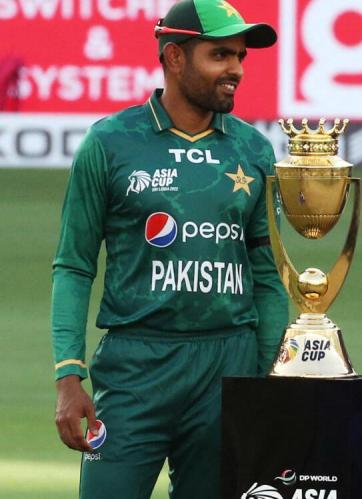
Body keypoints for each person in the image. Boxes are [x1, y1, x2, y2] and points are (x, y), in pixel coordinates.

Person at [50, 1, 288, 497]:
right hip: (135, 369)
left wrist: (267, 380)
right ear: (175, 58)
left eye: (240, 56)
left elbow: (267, 273)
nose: (236, 70)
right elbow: (73, 265)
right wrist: (68, 375)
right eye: (220, 55)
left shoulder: (254, 150)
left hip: (229, 365)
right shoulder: (110, 143)